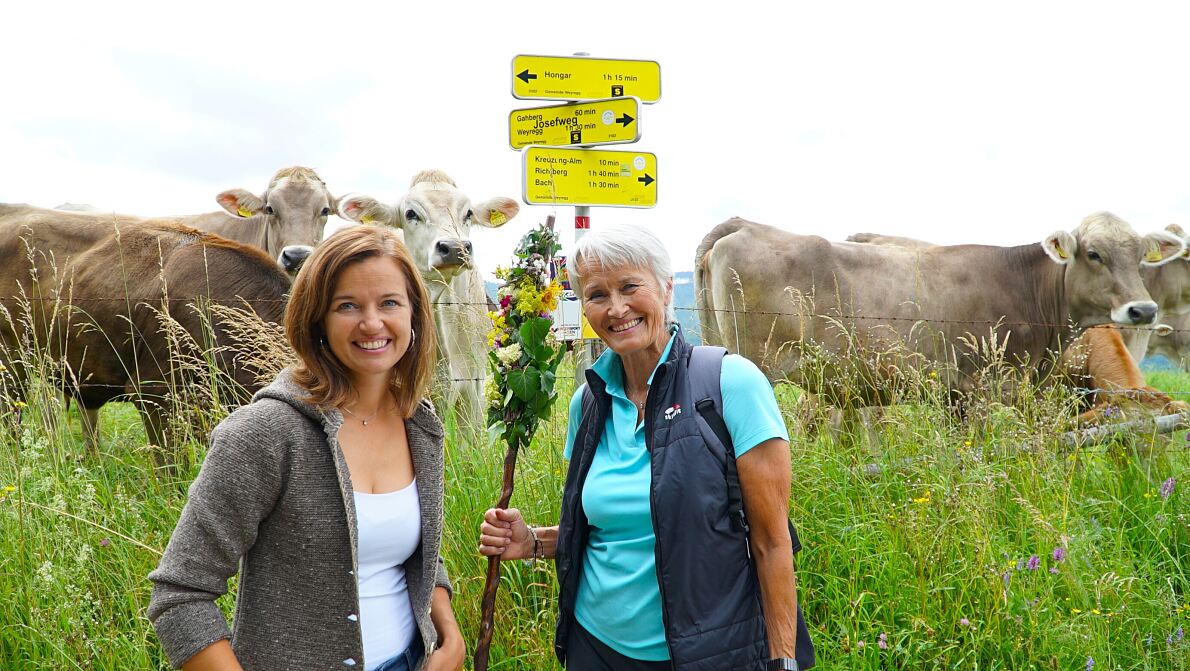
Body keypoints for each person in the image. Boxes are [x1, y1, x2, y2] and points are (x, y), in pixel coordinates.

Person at [479, 224, 815, 670]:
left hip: (703, 655)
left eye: (630, 287)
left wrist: (782, 662)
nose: (616, 309)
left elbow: (772, 543)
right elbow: (615, 529)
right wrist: (534, 541)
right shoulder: (589, 401)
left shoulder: (728, 384)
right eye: (597, 295)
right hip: (593, 646)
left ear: (665, 287)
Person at [149, 225, 465, 671]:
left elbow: (413, 546)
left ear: (414, 314)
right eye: (347, 306)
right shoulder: (265, 433)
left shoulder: (421, 422)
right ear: (316, 318)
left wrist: (449, 636)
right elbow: (180, 595)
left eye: (389, 303)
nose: (372, 323)